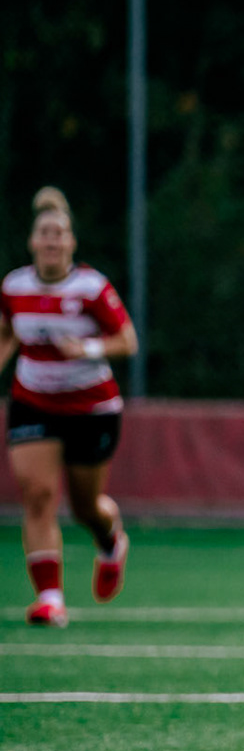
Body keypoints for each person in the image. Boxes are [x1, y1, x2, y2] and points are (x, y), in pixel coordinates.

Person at [1, 187, 137, 627]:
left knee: (85, 507)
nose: (52, 241)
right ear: (32, 241)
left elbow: (127, 341)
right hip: (33, 402)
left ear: (71, 242)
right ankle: (50, 598)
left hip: (91, 407)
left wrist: (87, 348)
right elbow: (7, 333)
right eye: (44, 233)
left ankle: (110, 542)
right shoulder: (14, 286)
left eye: (59, 233)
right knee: (38, 494)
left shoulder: (91, 288)